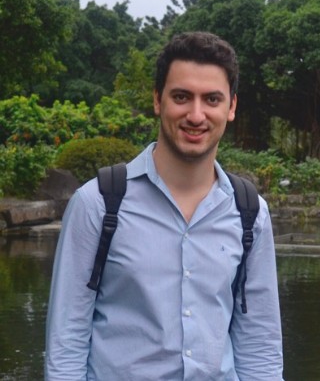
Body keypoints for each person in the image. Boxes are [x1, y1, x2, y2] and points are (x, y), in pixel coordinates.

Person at [45, 32, 284, 380]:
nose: (196, 115)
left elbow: (259, 345)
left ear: (231, 107)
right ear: (158, 100)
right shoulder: (99, 204)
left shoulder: (250, 213)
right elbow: (66, 342)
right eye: (182, 97)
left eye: (212, 99)